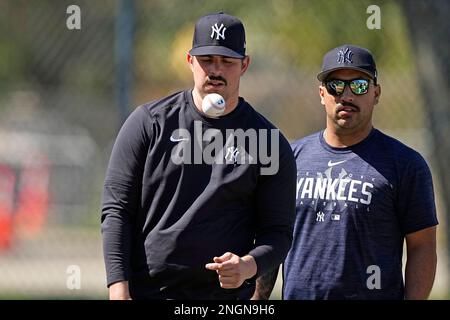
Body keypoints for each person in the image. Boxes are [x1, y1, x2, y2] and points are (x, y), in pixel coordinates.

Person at [101, 12, 296, 300]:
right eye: (207, 60)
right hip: (151, 292)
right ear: (190, 61)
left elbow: (278, 232)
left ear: (244, 65)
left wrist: (248, 265)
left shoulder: (269, 141)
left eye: (227, 61)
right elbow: (116, 209)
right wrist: (119, 290)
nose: (216, 70)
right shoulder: (148, 123)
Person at [256, 44, 438, 300]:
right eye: (336, 86)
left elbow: (423, 245)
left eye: (359, 86)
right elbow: (274, 235)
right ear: (322, 94)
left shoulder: (405, 164)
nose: (347, 95)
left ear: (376, 93)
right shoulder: (291, 158)